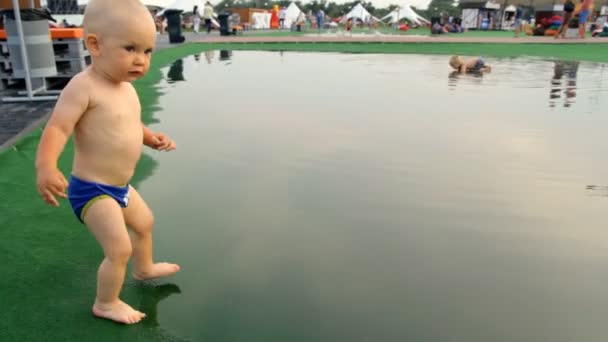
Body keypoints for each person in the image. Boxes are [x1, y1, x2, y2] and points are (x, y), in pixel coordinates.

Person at [35, 0, 180, 325]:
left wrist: (149, 137)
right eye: (130, 48)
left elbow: (128, 124)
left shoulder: (125, 88)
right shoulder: (83, 87)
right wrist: (46, 167)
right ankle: (106, 302)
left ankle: (144, 268)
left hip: (120, 187)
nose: (141, 60)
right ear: (95, 45)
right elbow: (58, 128)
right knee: (119, 248)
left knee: (144, 224)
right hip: (91, 190)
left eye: (147, 51)